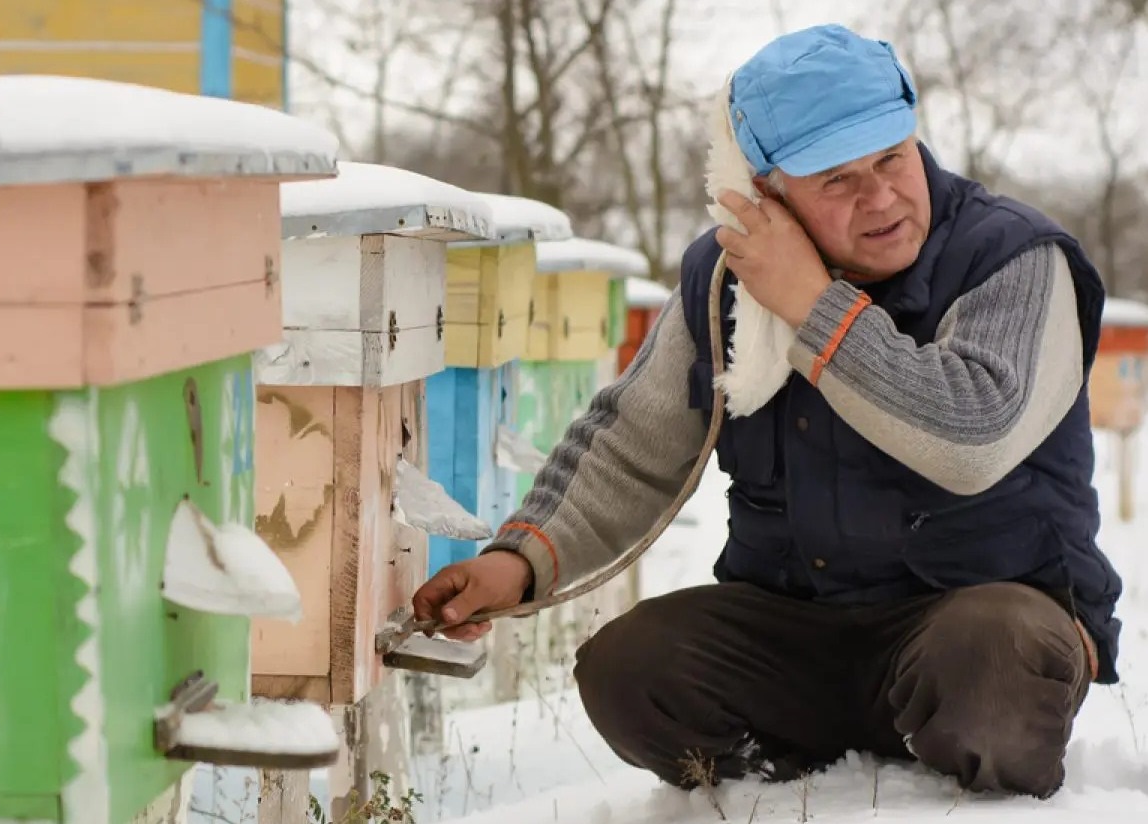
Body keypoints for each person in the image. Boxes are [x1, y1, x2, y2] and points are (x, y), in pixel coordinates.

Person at [410, 23, 1123, 799]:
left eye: (892, 157)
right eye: (837, 180)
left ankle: (956, 788)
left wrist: (814, 308)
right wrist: (518, 562)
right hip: (799, 633)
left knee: (993, 661)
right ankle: (783, 795)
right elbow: (631, 445)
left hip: (973, 622)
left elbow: (972, 439)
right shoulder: (726, 276)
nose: (881, 197)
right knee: (628, 668)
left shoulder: (1013, 256)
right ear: (768, 194)